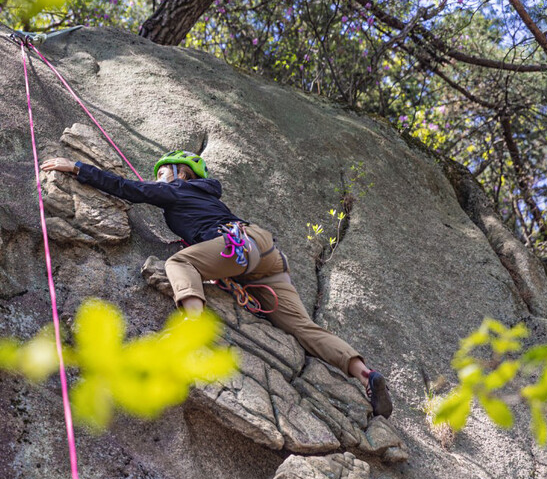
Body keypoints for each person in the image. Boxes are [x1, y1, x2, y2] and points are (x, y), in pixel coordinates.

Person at [41, 149, 393, 418]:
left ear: (181, 172)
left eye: (163, 171)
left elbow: (129, 190)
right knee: (302, 327)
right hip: (265, 257)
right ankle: (364, 374)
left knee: (179, 263)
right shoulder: (206, 197)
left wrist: (77, 168)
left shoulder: (178, 189)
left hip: (237, 250)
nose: (159, 176)